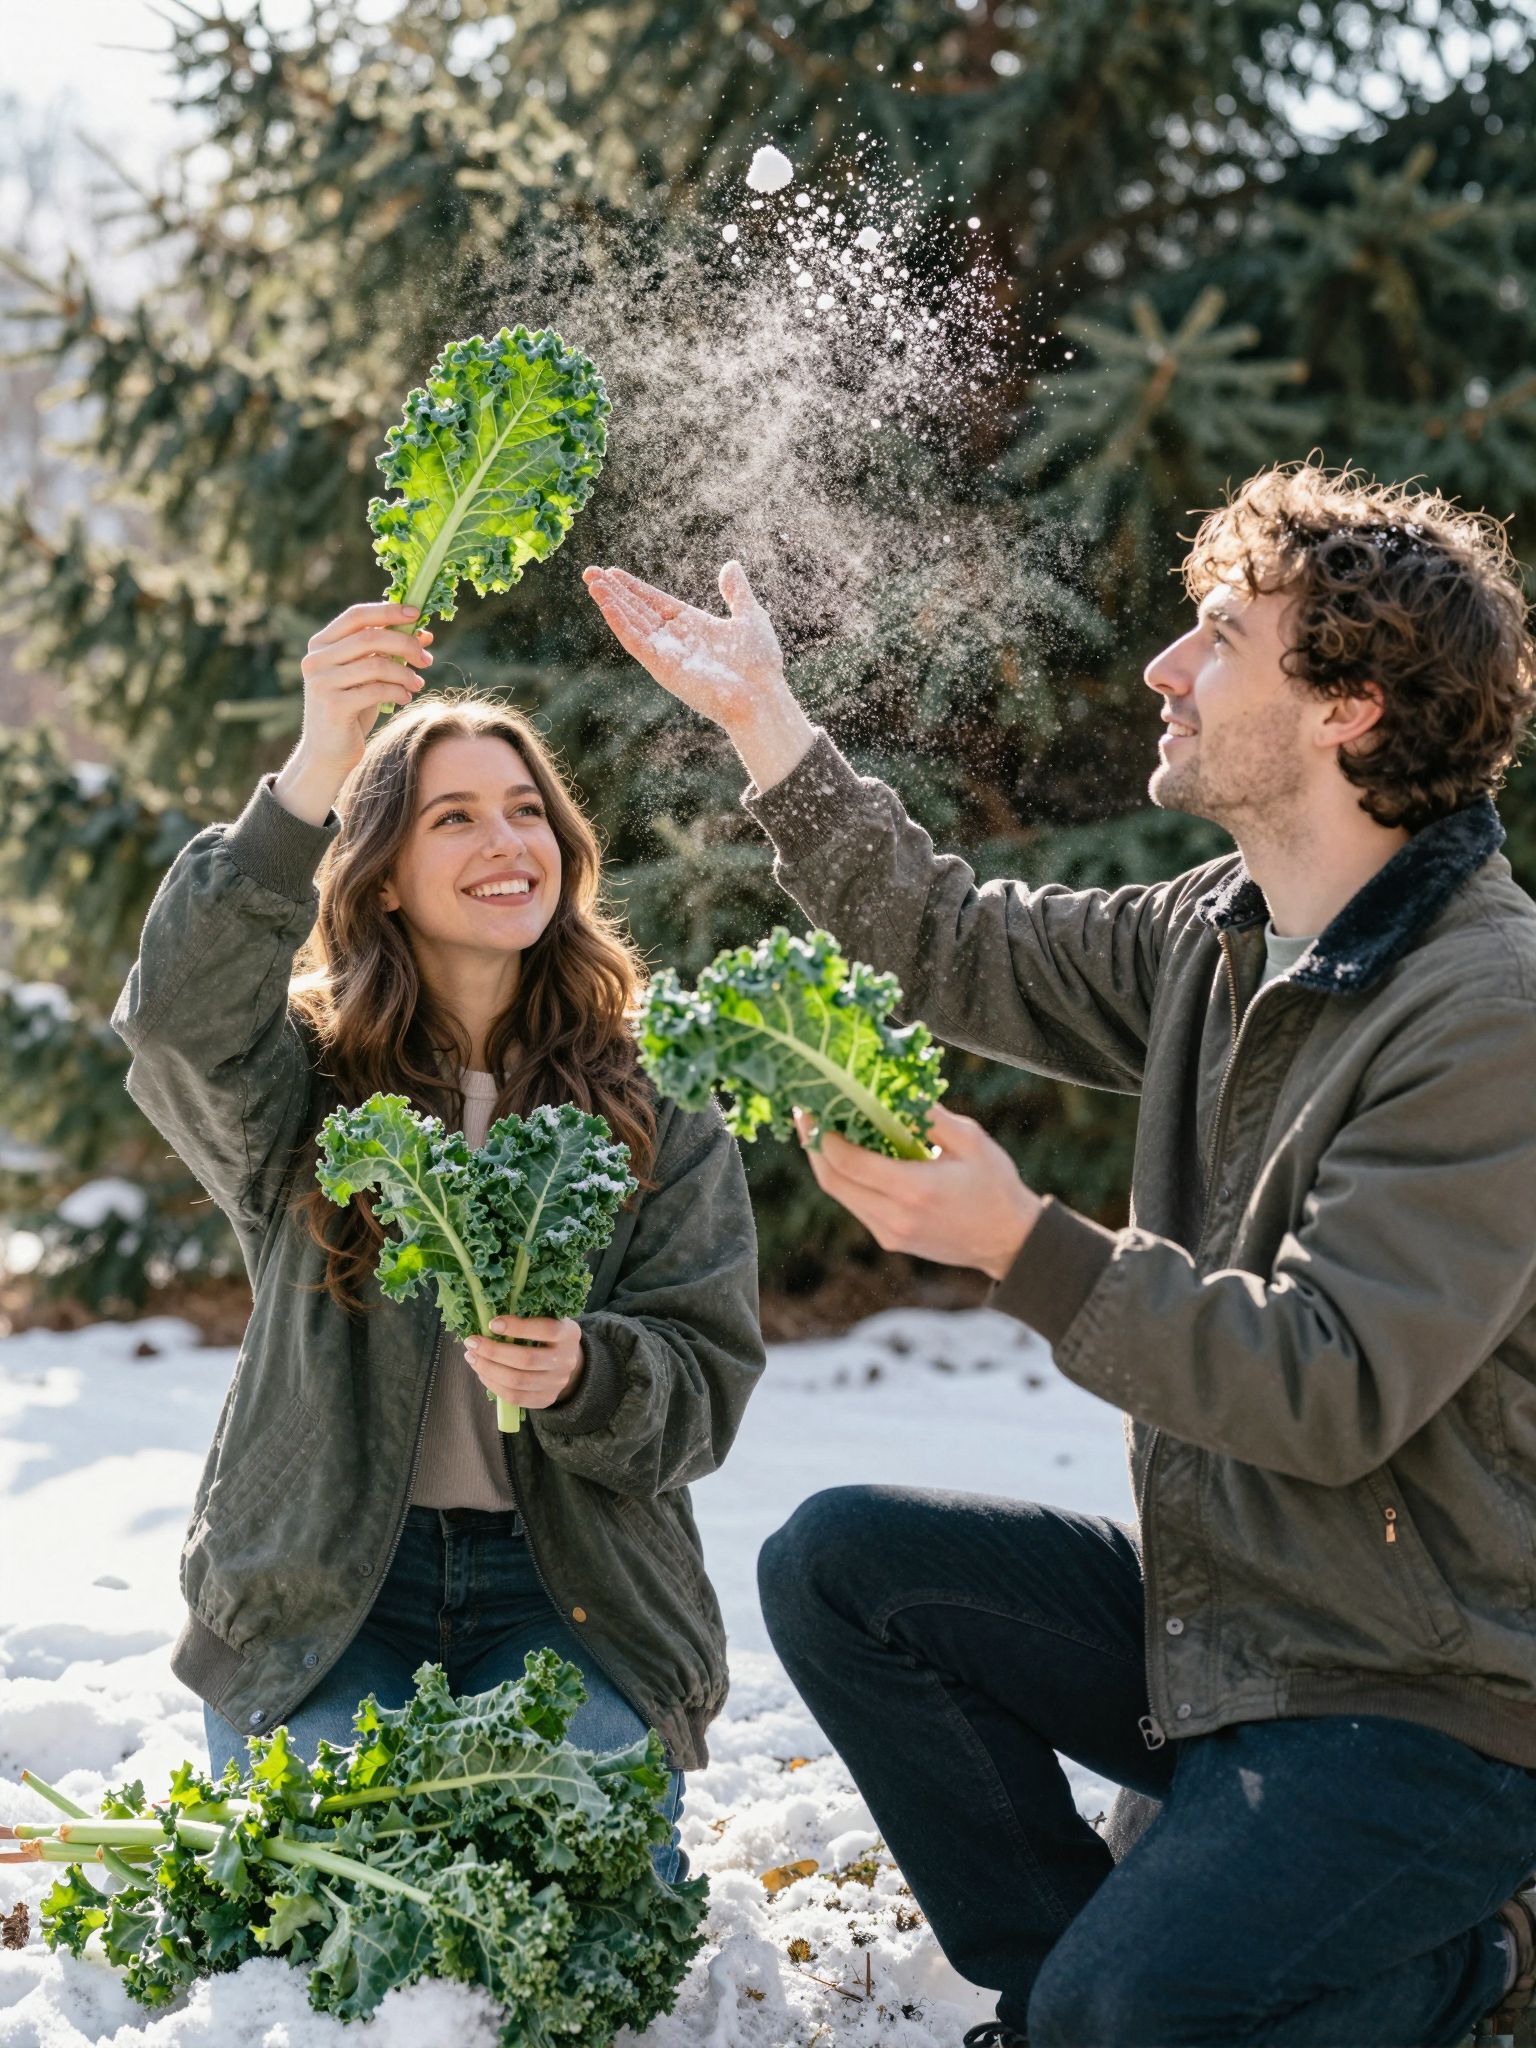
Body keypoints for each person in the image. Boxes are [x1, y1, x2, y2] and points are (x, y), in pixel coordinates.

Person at [584, 460, 1536, 2040]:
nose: (1168, 668)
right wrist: (768, 726)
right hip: (1227, 1638)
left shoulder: (1487, 1012)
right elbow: (959, 942)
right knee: (842, 1565)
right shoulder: (1221, 932)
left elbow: (1332, 1384)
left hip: (1426, 1697)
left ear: (1348, 705)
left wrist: (1024, 1244)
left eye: (1219, 637)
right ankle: (1082, 2001)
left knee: (1141, 2012)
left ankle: (1481, 1962)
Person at [111, 600, 766, 1883]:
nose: (506, 838)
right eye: (452, 814)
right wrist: (314, 764)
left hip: (573, 1592)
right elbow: (173, 1021)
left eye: (526, 809)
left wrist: (587, 1374)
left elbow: (703, 1385)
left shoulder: (657, 1093)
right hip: (326, 1590)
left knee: (575, 1914)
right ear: (382, 871)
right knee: (340, 1911)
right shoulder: (298, 1083)